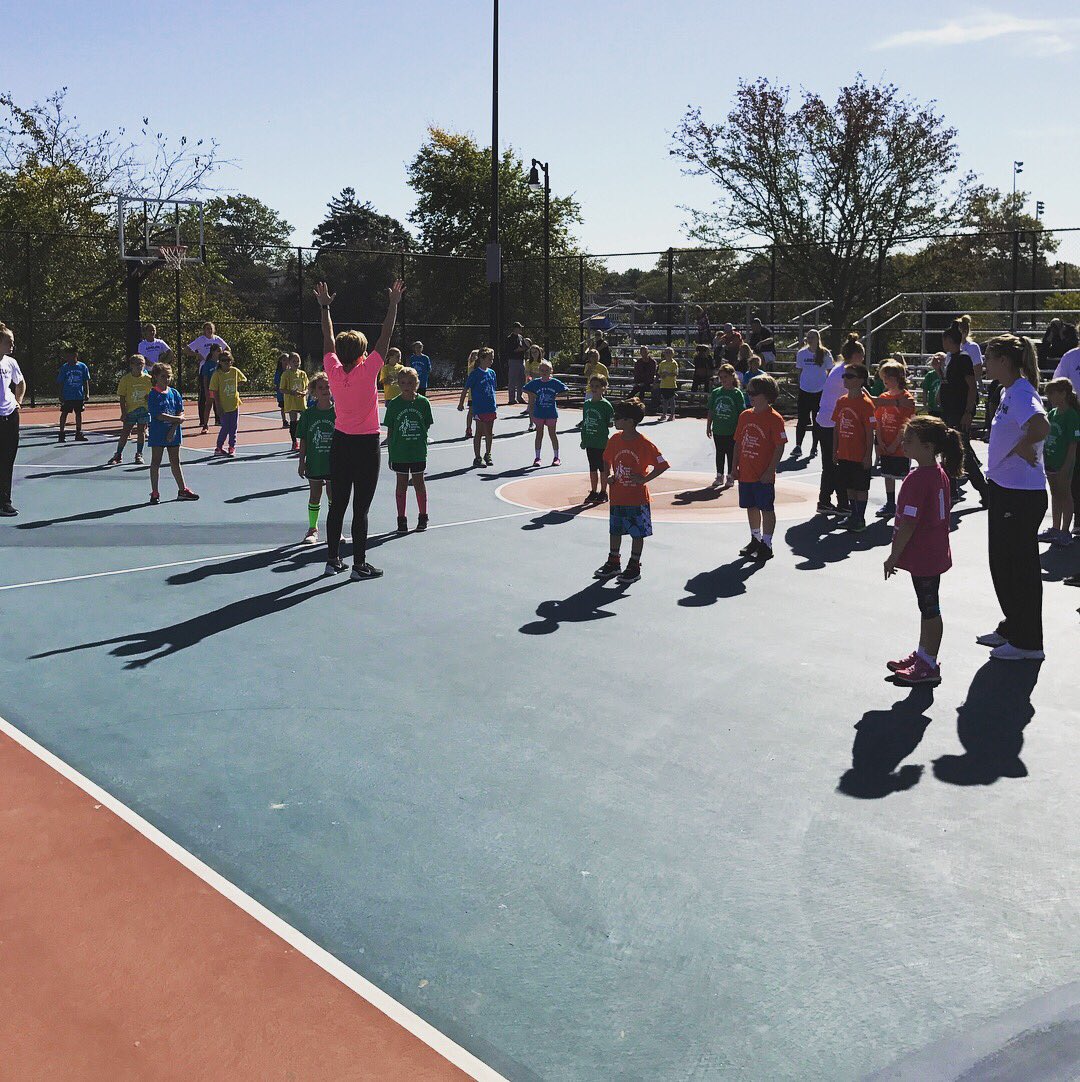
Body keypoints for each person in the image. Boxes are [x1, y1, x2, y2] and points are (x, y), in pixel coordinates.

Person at [315, 278, 404, 580]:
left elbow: (327, 337)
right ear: (362, 353)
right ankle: (359, 565)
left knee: (337, 505)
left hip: (340, 444)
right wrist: (393, 304)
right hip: (366, 446)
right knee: (360, 509)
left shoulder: (332, 369)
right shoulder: (368, 371)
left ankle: (332, 560)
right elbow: (386, 335)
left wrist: (325, 307)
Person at [977, 334, 1050, 661]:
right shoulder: (1009, 391)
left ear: (1004, 361)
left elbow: (1041, 426)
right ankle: (1014, 626)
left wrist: (1023, 446)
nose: (985, 364)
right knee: (1002, 564)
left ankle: (1028, 643)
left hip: (1020, 495)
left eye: (989, 358)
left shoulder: (1021, 392)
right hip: (1005, 489)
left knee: (1020, 569)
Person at [883, 417, 964, 686]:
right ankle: (923, 654)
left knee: (930, 608)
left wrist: (893, 556)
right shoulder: (937, 473)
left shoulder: (918, 479)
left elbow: (909, 523)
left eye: (909, 440)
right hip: (933, 551)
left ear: (928, 447)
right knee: (926, 606)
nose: (903, 443)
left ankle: (929, 664)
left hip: (924, 555)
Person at [594, 397, 669, 584]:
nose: (615, 419)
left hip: (637, 499)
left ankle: (634, 565)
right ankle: (614, 561)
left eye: (618, 416)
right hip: (618, 497)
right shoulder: (615, 440)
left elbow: (662, 465)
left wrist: (644, 479)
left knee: (637, 533)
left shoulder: (644, 444)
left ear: (630, 421)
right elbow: (606, 459)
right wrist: (609, 475)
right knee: (615, 531)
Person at [732, 374, 787, 561]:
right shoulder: (745, 416)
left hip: (763, 474)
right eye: (748, 392)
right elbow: (738, 442)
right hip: (746, 472)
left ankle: (767, 543)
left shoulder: (775, 419)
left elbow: (779, 446)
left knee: (766, 508)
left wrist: (771, 470)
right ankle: (755, 538)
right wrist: (734, 466)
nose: (750, 395)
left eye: (754, 393)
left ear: (767, 395)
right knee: (751, 506)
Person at [939, 321, 987, 504]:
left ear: (950, 340)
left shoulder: (964, 358)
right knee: (948, 450)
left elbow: (971, 387)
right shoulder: (950, 359)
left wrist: (968, 412)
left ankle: (985, 491)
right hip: (949, 410)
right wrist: (939, 370)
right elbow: (947, 382)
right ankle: (951, 491)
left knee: (963, 452)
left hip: (959, 412)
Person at [815, 333, 861, 515]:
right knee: (839, 464)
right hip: (831, 424)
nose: (862, 360)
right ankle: (842, 503)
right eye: (861, 356)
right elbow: (862, 397)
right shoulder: (847, 373)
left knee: (830, 465)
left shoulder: (838, 368)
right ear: (855, 355)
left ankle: (825, 501)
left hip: (824, 421)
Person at [384, 366, 434, 533]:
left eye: (411, 382)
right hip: (400, 453)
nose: (407, 386)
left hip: (417, 451)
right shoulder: (394, 404)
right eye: (403, 383)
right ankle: (401, 519)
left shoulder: (423, 403)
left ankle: (423, 516)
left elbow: (426, 424)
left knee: (419, 483)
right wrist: (391, 453)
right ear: (399, 384)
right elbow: (391, 430)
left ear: (417, 383)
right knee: (401, 484)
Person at [832, 362, 876, 532]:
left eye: (849, 376)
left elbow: (869, 432)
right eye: (844, 376)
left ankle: (860, 518)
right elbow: (837, 428)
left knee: (861, 487)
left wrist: (868, 455)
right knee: (849, 486)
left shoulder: (866, 404)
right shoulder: (841, 401)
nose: (845, 379)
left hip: (859, 454)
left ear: (861, 380)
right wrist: (835, 450)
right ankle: (853, 515)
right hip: (844, 453)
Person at [146, 362, 198, 505]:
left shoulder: (174, 393)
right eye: (163, 376)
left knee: (175, 461)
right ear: (156, 377)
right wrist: (177, 419)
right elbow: (159, 415)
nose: (166, 379)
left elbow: (180, 412)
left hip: (173, 433)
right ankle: (155, 492)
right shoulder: (153, 394)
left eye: (168, 376)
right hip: (158, 433)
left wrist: (173, 428)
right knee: (156, 462)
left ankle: (182, 490)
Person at [874, 360, 916, 519]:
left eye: (888, 377)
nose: (885, 380)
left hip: (900, 446)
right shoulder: (883, 397)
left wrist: (895, 444)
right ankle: (890, 503)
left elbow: (905, 424)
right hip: (885, 443)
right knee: (887, 475)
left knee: (903, 476)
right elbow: (878, 421)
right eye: (884, 377)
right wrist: (880, 441)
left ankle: (906, 504)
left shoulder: (906, 398)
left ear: (898, 378)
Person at [296, 372, 335, 545]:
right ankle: (313, 529)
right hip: (315, 462)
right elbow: (304, 439)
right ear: (314, 391)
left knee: (334, 497)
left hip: (334, 463)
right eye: (321, 387)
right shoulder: (308, 414)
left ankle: (334, 529)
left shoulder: (339, 412)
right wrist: (301, 462)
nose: (325, 390)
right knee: (315, 495)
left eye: (327, 386)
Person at [1039, 377, 1079, 546]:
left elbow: (1073, 444)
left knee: (1065, 494)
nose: (1049, 397)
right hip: (1051, 461)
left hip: (1064, 463)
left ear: (1063, 394)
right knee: (1055, 494)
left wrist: (1067, 466)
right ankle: (1055, 528)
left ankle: (1065, 531)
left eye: (1052, 393)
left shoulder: (1071, 415)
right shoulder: (1052, 413)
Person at [1053, 335, 1080, 538]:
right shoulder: (1071, 357)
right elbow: (1058, 385)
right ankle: (1076, 520)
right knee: (1074, 468)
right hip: (1075, 414)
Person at [792, 328, 833, 457]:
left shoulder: (825, 353)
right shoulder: (802, 353)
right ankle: (798, 446)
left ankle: (814, 447)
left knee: (817, 420)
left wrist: (827, 387)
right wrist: (801, 384)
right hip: (805, 391)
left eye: (812, 337)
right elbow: (799, 371)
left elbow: (830, 371)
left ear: (817, 339)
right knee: (802, 420)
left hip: (819, 392)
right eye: (808, 337)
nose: (809, 340)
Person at [707, 363, 747, 489]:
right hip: (718, 429)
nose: (723, 380)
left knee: (731, 454)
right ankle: (719, 475)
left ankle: (731, 475)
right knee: (719, 453)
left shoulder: (737, 393)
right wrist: (708, 426)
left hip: (732, 430)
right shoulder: (716, 392)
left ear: (732, 377)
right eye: (721, 377)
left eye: (726, 377)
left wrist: (740, 429)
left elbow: (741, 413)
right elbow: (711, 410)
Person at [108, 354, 152, 466]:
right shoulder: (126, 379)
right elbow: (122, 397)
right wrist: (123, 412)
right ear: (131, 365)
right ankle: (118, 454)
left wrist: (150, 397)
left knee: (141, 431)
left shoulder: (149, 379)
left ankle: (139, 454)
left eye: (141, 364)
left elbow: (155, 392)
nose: (139, 366)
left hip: (144, 410)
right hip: (130, 411)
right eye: (137, 364)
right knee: (125, 432)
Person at [0, 323, 25, 517]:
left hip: (10, 415)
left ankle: (5, 502)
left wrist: (18, 401)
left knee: (7, 460)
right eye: (9, 342)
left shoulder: (11, 362)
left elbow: (21, 382)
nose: (12, 345)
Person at [523, 360, 568, 467]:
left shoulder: (554, 382)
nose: (544, 372)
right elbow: (524, 388)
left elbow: (566, 390)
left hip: (551, 413)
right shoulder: (536, 382)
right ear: (539, 371)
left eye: (546, 370)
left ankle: (556, 457)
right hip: (539, 413)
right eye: (542, 370)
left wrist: (556, 395)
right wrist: (533, 394)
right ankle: (537, 457)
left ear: (551, 371)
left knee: (552, 434)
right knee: (539, 435)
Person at [459, 346, 497, 467]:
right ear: (481, 359)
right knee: (479, 433)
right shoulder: (475, 374)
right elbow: (466, 389)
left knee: (489, 433)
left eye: (492, 359)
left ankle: (488, 454)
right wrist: (461, 403)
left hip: (490, 407)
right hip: (479, 408)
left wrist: (494, 404)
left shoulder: (492, 373)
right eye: (489, 359)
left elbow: (493, 389)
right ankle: (477, 457)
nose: (491, 361)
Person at [186, 322, 229, 431]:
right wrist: (197, 355)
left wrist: (223, 359)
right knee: (205, 398)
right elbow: (186, 350)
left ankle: (218, 419)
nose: (209, 330)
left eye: (210, 328)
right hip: (206, 371)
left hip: (217, 371)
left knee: (218, 397)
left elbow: (228, 349)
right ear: (204, 330)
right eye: (207, 329)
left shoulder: (217, 339)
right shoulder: (200, 340)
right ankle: (203, 421)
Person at [580, 373, 614, 505]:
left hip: (601, 443)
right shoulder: (587, 404)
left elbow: (610, 423)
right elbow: (585, 422)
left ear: (604, 387)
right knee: (592, 468)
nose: (594, 389)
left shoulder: (606, 405)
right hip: (590, 441)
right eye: (592, 386)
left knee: (603, 469)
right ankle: (593, 491)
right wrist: (584, 439)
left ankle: (603, 491)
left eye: (597, 386)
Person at [208, 349, 247, 457]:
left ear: (231, 361)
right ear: (220, 362)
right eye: (224, 360)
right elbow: (214, 391)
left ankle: (232, 447)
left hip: (234, 404)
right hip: (223, 406)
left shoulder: (235, 371)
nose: (226, 362)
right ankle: (219, 447)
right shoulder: (217, 374)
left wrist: (236, 385)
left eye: (228, 360)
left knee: (233, 427)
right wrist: (218, 406)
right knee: (225, 427)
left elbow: (243, 380)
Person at [57, 344, 90, 443]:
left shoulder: (82, 366)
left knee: (78, 413)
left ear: (75, 355)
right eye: (67, 356)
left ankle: (78, 433)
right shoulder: (64, 368)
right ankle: (61, 434)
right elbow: (60, 382)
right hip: (67, 395)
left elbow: (85, 380)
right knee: (64, 413)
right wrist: (60, 394)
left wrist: (87, 393)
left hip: (78, 395)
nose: (68, 358)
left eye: (70, 356)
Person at [281, 353, 309, 452]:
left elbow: (307, 386)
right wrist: (291, 392)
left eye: (298, 361)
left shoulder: (302, 374)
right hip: (292, 402)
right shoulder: (286, 374)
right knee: (293, 421)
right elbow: (282, 389)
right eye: (294, 361)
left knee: (305, 420)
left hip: (301, 401)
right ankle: (294, 442)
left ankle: (306, 441)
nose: (296, 363)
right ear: (289, 363)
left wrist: (304, 392)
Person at [198, 343, 223, 433]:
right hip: (211, 389)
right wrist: (206, 391)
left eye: (221, 351)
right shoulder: (207, 364)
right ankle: (205, 425)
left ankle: (222, 422)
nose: (220, 353)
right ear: (212, 352)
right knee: (208, 406)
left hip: (220, 389)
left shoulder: (221, 364)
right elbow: (205, 379)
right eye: (218, 351)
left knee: (221, 406)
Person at [524, 343, 545, 432]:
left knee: (540, 405)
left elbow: (545, 374)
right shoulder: (528, 362)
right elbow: (528, 373)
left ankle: (538, 423)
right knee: (531, 404)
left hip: (542, 386)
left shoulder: (543, 362)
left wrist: (537, 375)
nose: (534, 354)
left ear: (539, 352)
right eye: (532, 352)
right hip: (532, 385)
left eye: (535, 352)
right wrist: (532, 376)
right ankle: (531, 423)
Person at [505, 322, 527, 408]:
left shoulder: (521, 337)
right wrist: (521, 349)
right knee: (512, 380)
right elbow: (511, 350)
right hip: (513, 360)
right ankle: (511, 399)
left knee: (522, 380)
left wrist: (525, 347)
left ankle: (520, 397)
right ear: (515, 328)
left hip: (521, 360)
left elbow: (523, 347)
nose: (520, 329)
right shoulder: (509, 338)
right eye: (519, 328)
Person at [657, 347, 680, 421]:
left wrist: (668, 374)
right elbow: (659, 372)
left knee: (671, 400)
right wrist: (662, 375)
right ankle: (664, 414)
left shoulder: (674, 363)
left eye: (669, 352)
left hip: (671, 385)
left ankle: (672, 415)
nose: (668, 354)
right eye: (666, 352)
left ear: (672, 354)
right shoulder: (662, 363)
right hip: (663, 384)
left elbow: (675, 373)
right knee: (664, 400)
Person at [461, 349, 479, 438]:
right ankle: (468, 428)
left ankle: (481, 429)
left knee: (479, 412)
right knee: (471, 411)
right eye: (474, 355)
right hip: (473, 394)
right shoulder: (472, 367)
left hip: (480, 394)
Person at [921, 352, 944, 416]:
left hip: (944, 407)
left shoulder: (947, 374)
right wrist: (925, 404)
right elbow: (925, 390)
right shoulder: (930, 375)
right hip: (932, 407)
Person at [273, 352, 288, 428]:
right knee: (283, 407)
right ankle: (284, 421)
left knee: (293, 407)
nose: (286, 362)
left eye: (287, 360)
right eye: (284, 360)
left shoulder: (290, 371)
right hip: (281, 394)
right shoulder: (278, 371)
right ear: (281, 361)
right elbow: (276, 382)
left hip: (289, 393)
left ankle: (294, 421)